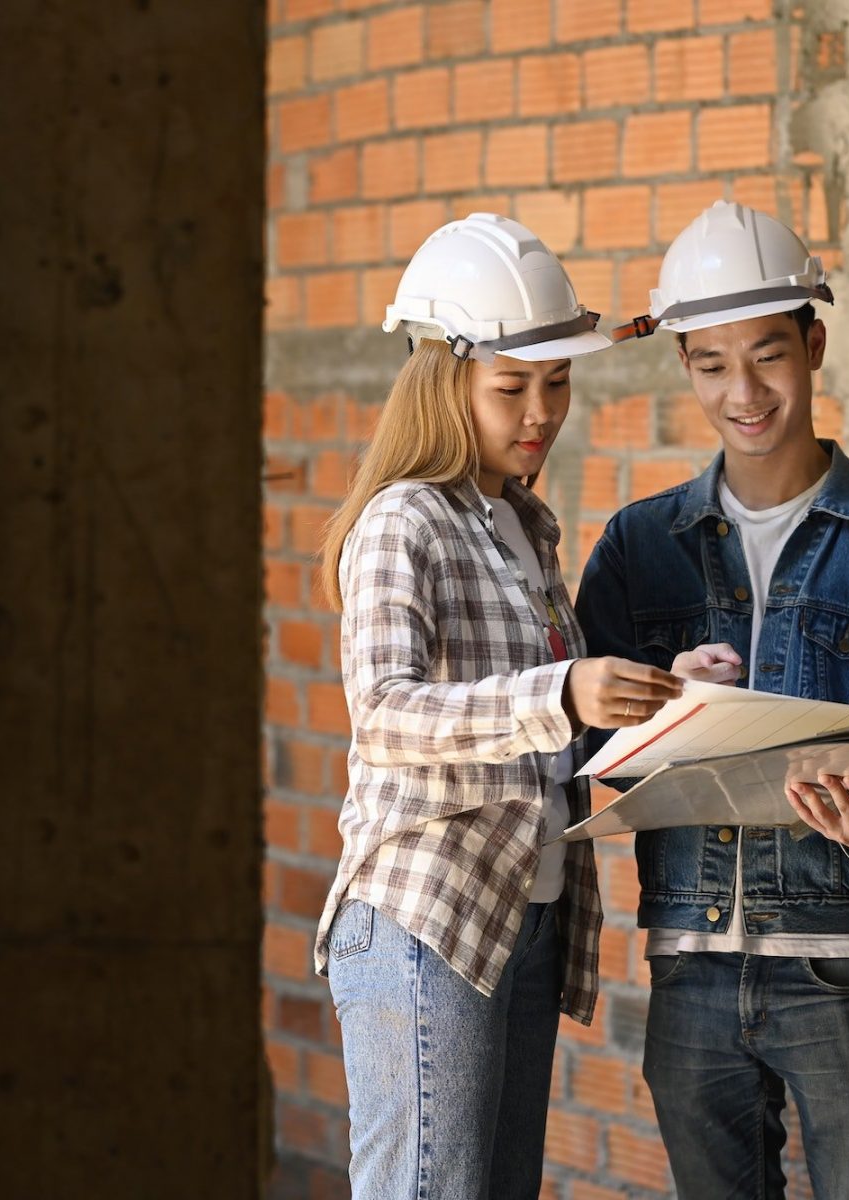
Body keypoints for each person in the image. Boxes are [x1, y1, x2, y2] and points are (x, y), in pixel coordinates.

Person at [576, 199, 849, 1200]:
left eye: (767, 355)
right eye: (710, 363)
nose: (742, 391)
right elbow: (580, 731)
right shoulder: (639, 548)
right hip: (689, 959)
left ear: (812, 343)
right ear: (685, 368)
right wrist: (648, 712)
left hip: (845, 963)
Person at [313, 213, 693, 1199]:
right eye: (512, 386)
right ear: (445, 378)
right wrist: (560, 690)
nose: (540, 411)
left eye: (557, 382)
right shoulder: (404, 518)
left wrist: (669, 691)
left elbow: (551, 731)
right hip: (422, 921)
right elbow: (387, 715)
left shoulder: (523, 521)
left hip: (523, 914)